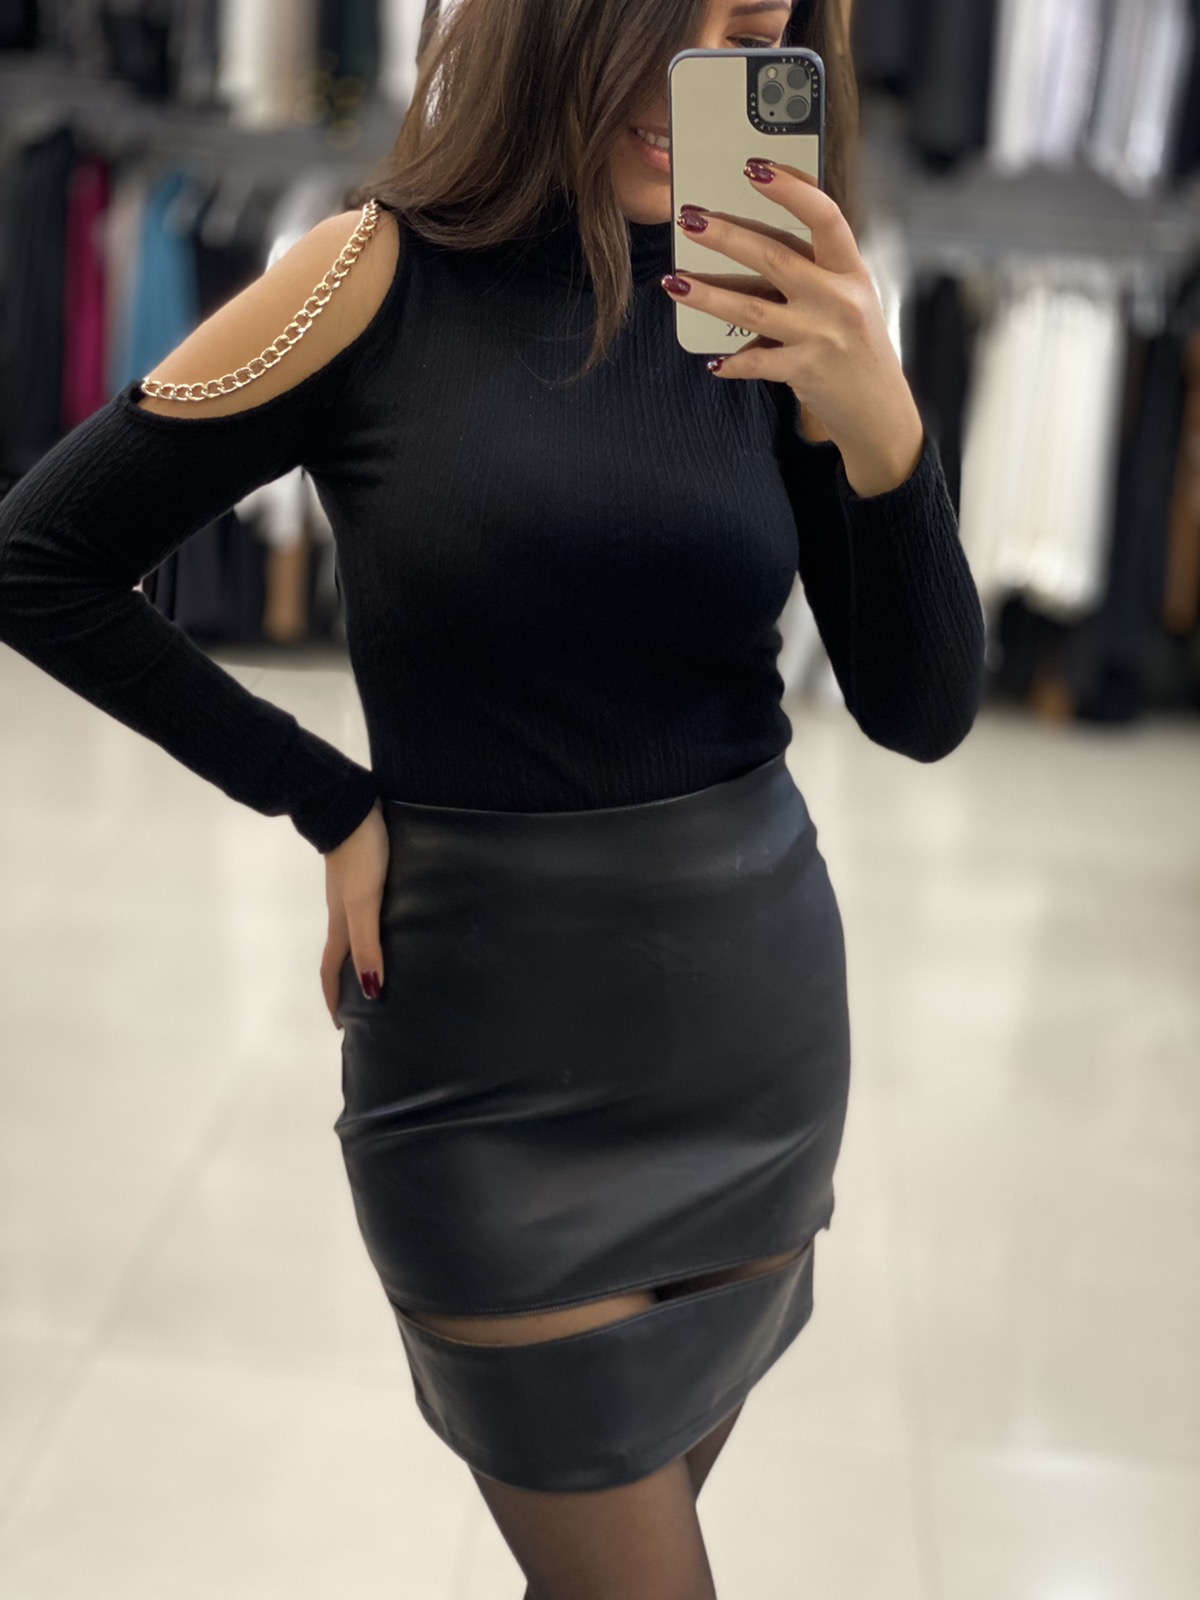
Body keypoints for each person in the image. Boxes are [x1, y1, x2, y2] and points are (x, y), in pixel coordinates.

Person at [0, 1, 985, 1595]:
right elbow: (40, 560)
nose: (698, 72)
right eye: (663, 17)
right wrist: (325, 798)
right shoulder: (364, 275)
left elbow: (922, 712)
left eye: (752, 25)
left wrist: (881, 423)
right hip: (482, 1083)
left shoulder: (767, 303)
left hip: (751, 1046)